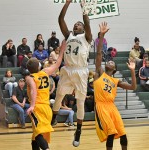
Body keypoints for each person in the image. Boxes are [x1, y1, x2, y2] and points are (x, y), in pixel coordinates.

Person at [52, 0, 92, 147]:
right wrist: (68, 3)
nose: (77, 24)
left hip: (81, 70)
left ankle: (79, 131)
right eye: (75, 24)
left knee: (80, 102)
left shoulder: (87, 38)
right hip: (68, 69)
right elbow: (60, 19)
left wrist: (83, 7)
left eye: (79, 24)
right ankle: (54, 117)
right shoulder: (68, 35)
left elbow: (87, 22)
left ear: (82, 28)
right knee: (59, 95)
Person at [93, 22, 137, 150]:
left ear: (114, 69)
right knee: (111, 133)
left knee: (123, 134)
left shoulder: (115, 81)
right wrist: (101, 35)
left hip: (112, 107)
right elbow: (99, 54)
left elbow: (133, 87)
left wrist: (133, 71)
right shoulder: (100, 73)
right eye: (109, 61)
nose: (110, 61)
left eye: (112, 62)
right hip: (101, 106)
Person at [25, 40, 66, 150]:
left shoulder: (29, 78)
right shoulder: (45, 72)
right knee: (35, 134)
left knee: (38, 133)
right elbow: (58, 63)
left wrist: (32, 106)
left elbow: (33, 90)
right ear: (38, 66)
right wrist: (62, 50)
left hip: (37, 108)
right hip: (47, 108)